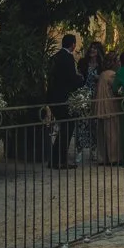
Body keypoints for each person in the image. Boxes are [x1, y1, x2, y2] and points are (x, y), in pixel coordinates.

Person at [45, 33, 83, 169]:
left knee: (63, 128)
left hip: (53, 97)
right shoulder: (68, 58)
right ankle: (60, 160)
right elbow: (71, 78)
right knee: (67, 127)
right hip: (63, 97)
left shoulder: (54, 57)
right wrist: (81, 80)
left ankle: (55, 159)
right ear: (73, 45)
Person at [93, 51, 121, 164]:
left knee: (102, 134)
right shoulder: (112, 75)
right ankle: (113, 157)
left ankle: (102, 157)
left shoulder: (103, 74)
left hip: (100, 105)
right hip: (110, 106)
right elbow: (117, 89)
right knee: (112, 133)